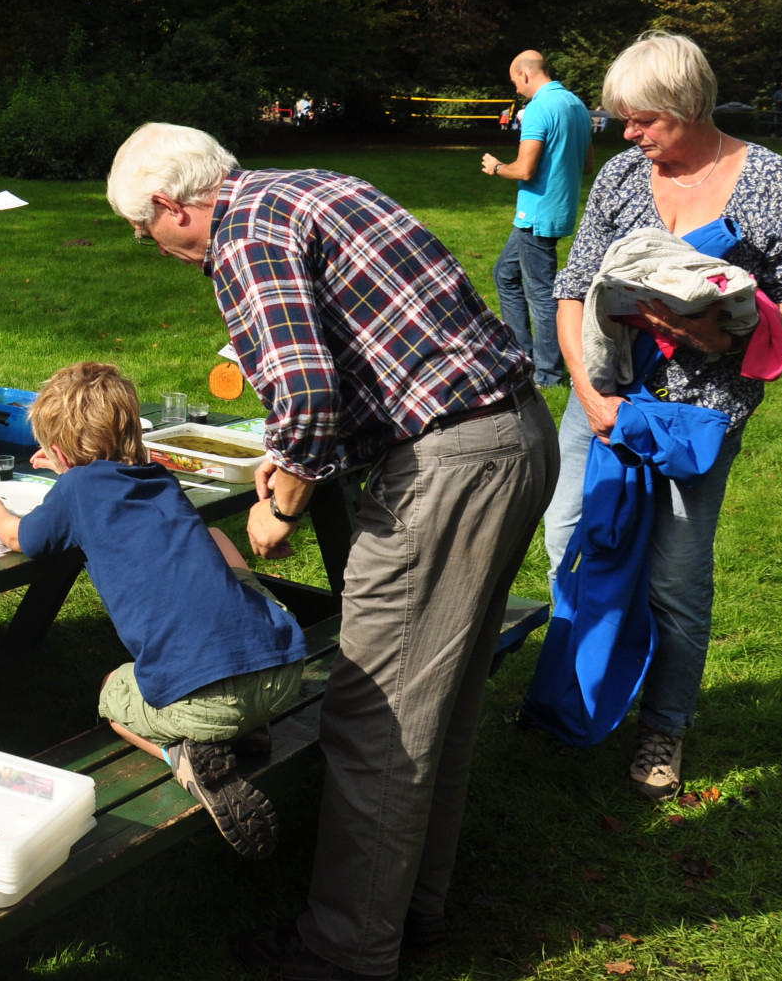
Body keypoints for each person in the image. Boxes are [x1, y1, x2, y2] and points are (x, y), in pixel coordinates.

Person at [106, 122, 557, 981]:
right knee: (445, 702)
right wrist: (302, 444)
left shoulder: (239, 237)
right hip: (515, 436)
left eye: (143, 229)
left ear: (172, 208)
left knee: (375, 715)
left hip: (450, 468)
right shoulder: (310, 187)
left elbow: (308, 391)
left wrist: (284, 497)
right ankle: (412, 910)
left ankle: (346, 950)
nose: (150, 245)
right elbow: (363, 353)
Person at [542, 32, 782, 800]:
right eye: (623, 120)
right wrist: (588, 391)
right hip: (604, 394)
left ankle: (662, 727)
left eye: (643, 121)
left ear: (687, 106)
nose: (628, 136)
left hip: (698, 415)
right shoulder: (623, 177)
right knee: (570, 534)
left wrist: (721, 332)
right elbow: (572, 287)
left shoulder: (766, 177)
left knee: (674, 578)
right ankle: (574, 689)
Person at [0, 362, 310, 861]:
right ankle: (244, 729)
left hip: (203, 700)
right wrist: (66, 470)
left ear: (58, 454)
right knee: (214, 538)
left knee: (112, 692)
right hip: (281, 673)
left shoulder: (77, 490)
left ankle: (186, 757)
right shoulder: (160, 479)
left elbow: (24, 537)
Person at [480, 50, 593, 387]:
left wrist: (496, 167)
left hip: (538, 213)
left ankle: (547, 374)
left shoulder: (539, 108)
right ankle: (522, 355)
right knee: (505, 275)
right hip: (559, 208)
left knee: (541, 294)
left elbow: (525, 168)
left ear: (525, 75)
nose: (516, 89)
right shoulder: (576, 105)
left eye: (515, 82)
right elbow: (586, 165)